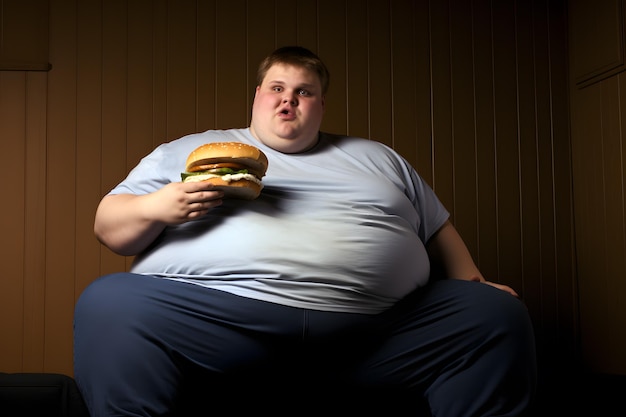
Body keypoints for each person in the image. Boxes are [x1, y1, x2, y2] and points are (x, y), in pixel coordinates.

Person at [74, 46, 537, 416]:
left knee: (494, 313)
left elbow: (437, 228)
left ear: (321, 103)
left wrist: (474, 283)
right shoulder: (189, 151)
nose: (288, 99)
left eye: (304, 90)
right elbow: (109, 228)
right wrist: (158, 206)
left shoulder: (379, 157)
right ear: (257, 95)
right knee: (110, 301)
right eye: (277, 87)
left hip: (377, 331)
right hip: (217, 326)